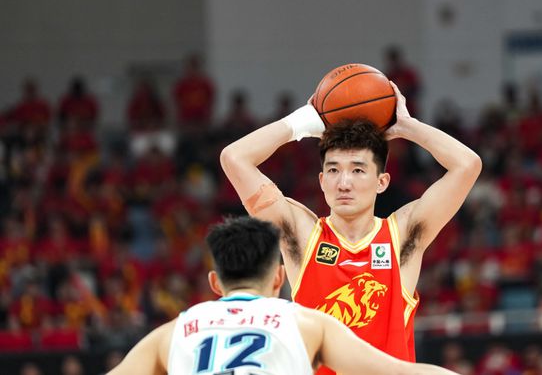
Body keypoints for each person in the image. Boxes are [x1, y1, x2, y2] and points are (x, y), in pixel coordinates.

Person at [220, 82, 482, 372]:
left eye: (358, 170)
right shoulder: (303, 236)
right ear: (322, 181)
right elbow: (234, 158)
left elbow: (467, 165)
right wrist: (302, 122)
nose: (344, 183)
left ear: (381, 182)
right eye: (333, 170)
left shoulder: (401, 237)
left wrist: (407, 126)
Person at [108, 216, 460, 375]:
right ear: (279, 278)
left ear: (215, 283)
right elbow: (397, 372)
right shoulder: (306, 323)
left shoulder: (174, 332)